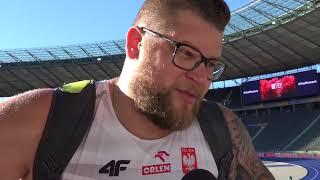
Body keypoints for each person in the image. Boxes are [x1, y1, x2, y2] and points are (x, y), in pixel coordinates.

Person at [0, 0, 274, 179]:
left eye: (210, 64)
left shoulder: (223, 127)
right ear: (135, 44)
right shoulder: (38, 119)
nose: (201, 78)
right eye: (187, 54)